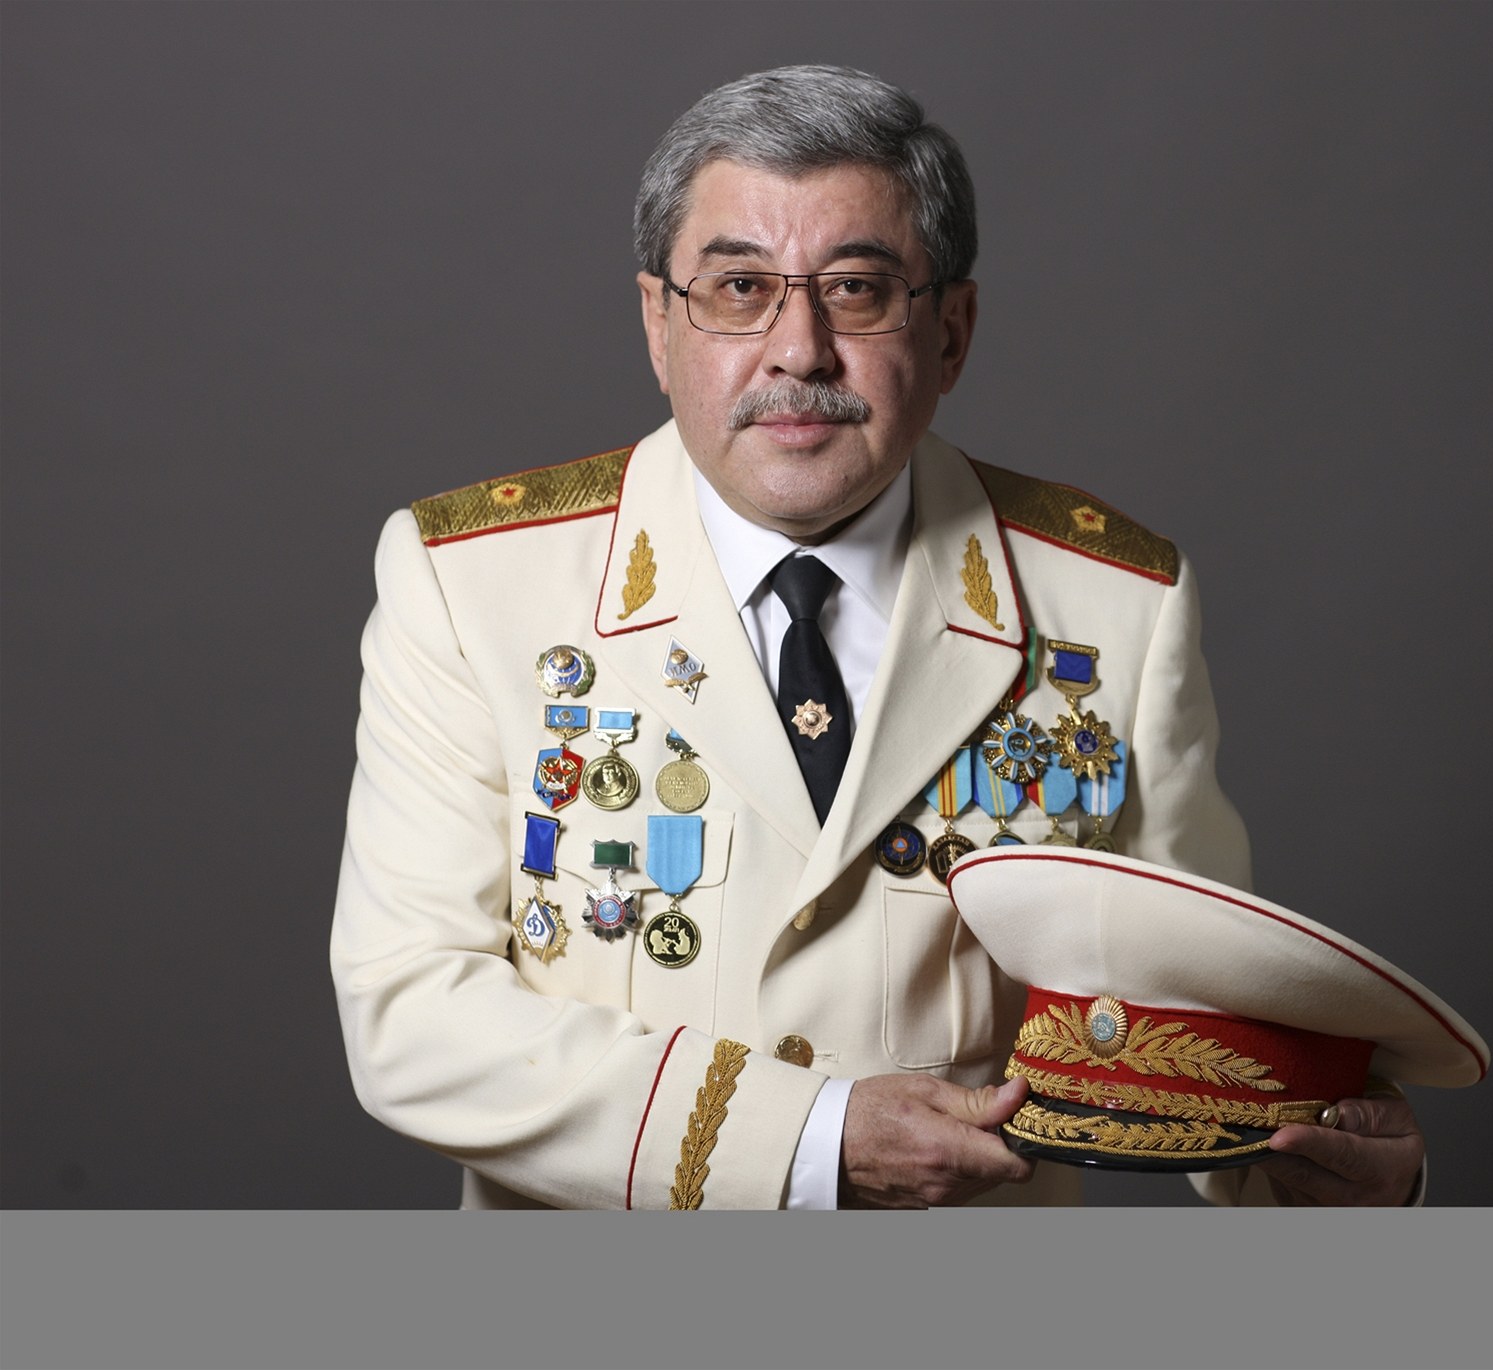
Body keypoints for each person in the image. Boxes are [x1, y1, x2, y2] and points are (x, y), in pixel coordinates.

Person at [331, 64, 1425, 1209]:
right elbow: (411, 1015)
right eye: (739, 288)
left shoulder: (1113, 605)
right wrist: (811, 1138)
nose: (798, 350)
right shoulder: (471, 584)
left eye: (856, 290)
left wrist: (1323, 1176)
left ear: (951, 332)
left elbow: (1190, 1019)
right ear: (658, 323)